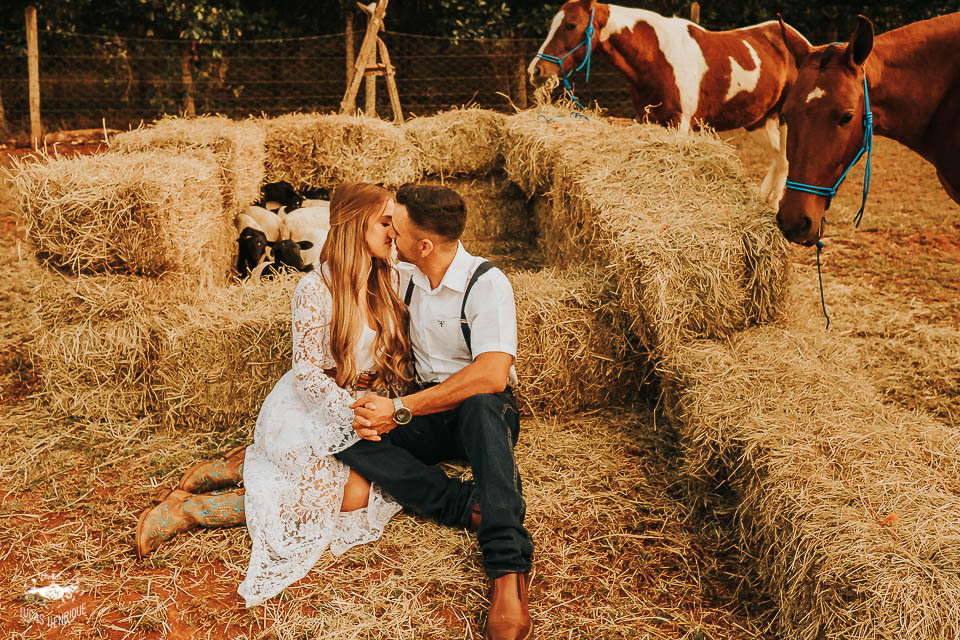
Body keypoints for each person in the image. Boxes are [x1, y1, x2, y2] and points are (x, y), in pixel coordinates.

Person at [134, 182, 418, 608]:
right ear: (355, 225)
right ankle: (190, 510)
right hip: (313, 407)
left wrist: (391, 404)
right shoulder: (315, 289)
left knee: (358, 496)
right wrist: (354, 410)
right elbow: (306, 373)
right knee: (329, 501)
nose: (394, 233)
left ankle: (236, 465)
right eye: (385, 223)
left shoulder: (391, 279)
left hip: (365, 410)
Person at [336, 183, 535, 640]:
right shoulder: (401, 276)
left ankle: (507, 570)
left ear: (424, 245)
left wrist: (399, 409)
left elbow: (492, 375)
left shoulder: (487, 284)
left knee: (481, 406)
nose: (390, 235)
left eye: (396, 229)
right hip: (425, 408)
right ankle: (464, 505)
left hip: (481, 413)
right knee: (347, 432)